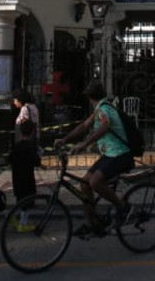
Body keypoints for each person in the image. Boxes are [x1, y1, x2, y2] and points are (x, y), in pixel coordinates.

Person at [54, 80, 133, 236]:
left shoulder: (104, 110)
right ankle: (91, 223)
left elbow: (104, 127)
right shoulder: (100, 109)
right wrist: (65, 139)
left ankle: (124, 207)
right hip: (110, 154)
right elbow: (84, 126)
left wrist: (84, 144)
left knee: (95, 182)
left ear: (90, 98)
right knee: (84, 185)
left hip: (120, 154)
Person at [8, 119, 41, 232]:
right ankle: (23, 223)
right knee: (28, 202)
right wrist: (39, 155)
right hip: (27, 179)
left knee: (20, 200)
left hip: (16, 178)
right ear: (32, 132)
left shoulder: (16, 146)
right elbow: (36, 161)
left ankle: (13, 217)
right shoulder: (30, 147)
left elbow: (10, 159)